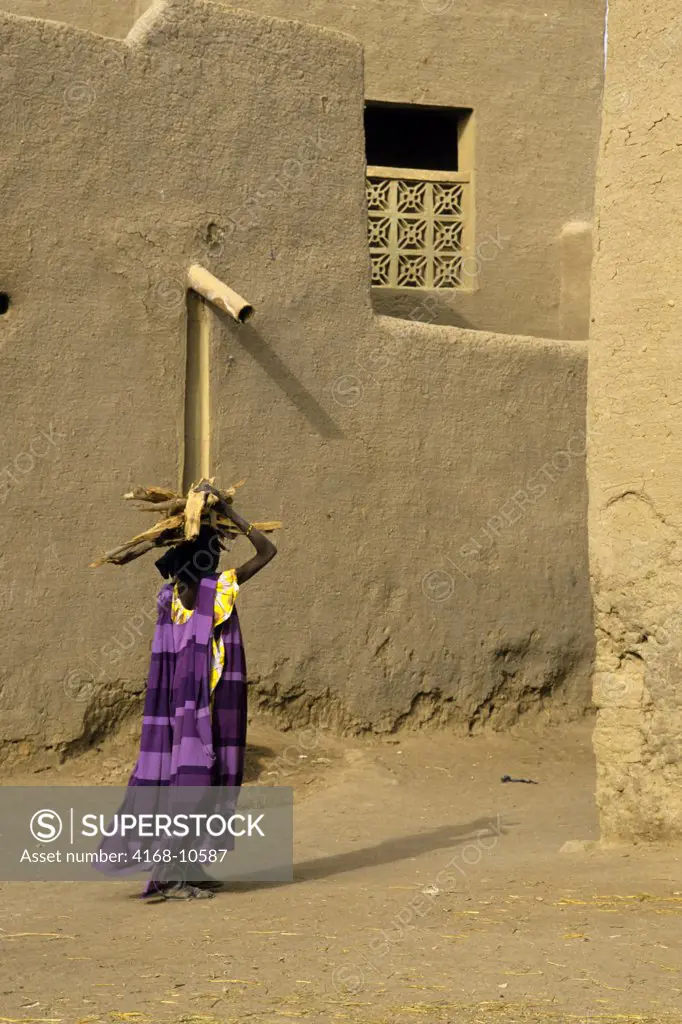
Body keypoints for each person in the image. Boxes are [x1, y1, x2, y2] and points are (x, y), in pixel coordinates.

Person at [100, 493, 277, 900]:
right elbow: (267, 550)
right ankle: (172, 875)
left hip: (195, 706)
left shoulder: (187, 596)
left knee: (201, 782)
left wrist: (213, 517)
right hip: (195, 710)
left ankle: (187, 864)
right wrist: (230, 512)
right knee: (192, 784)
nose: (216, 559)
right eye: (212, 553)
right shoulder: (202, 595)